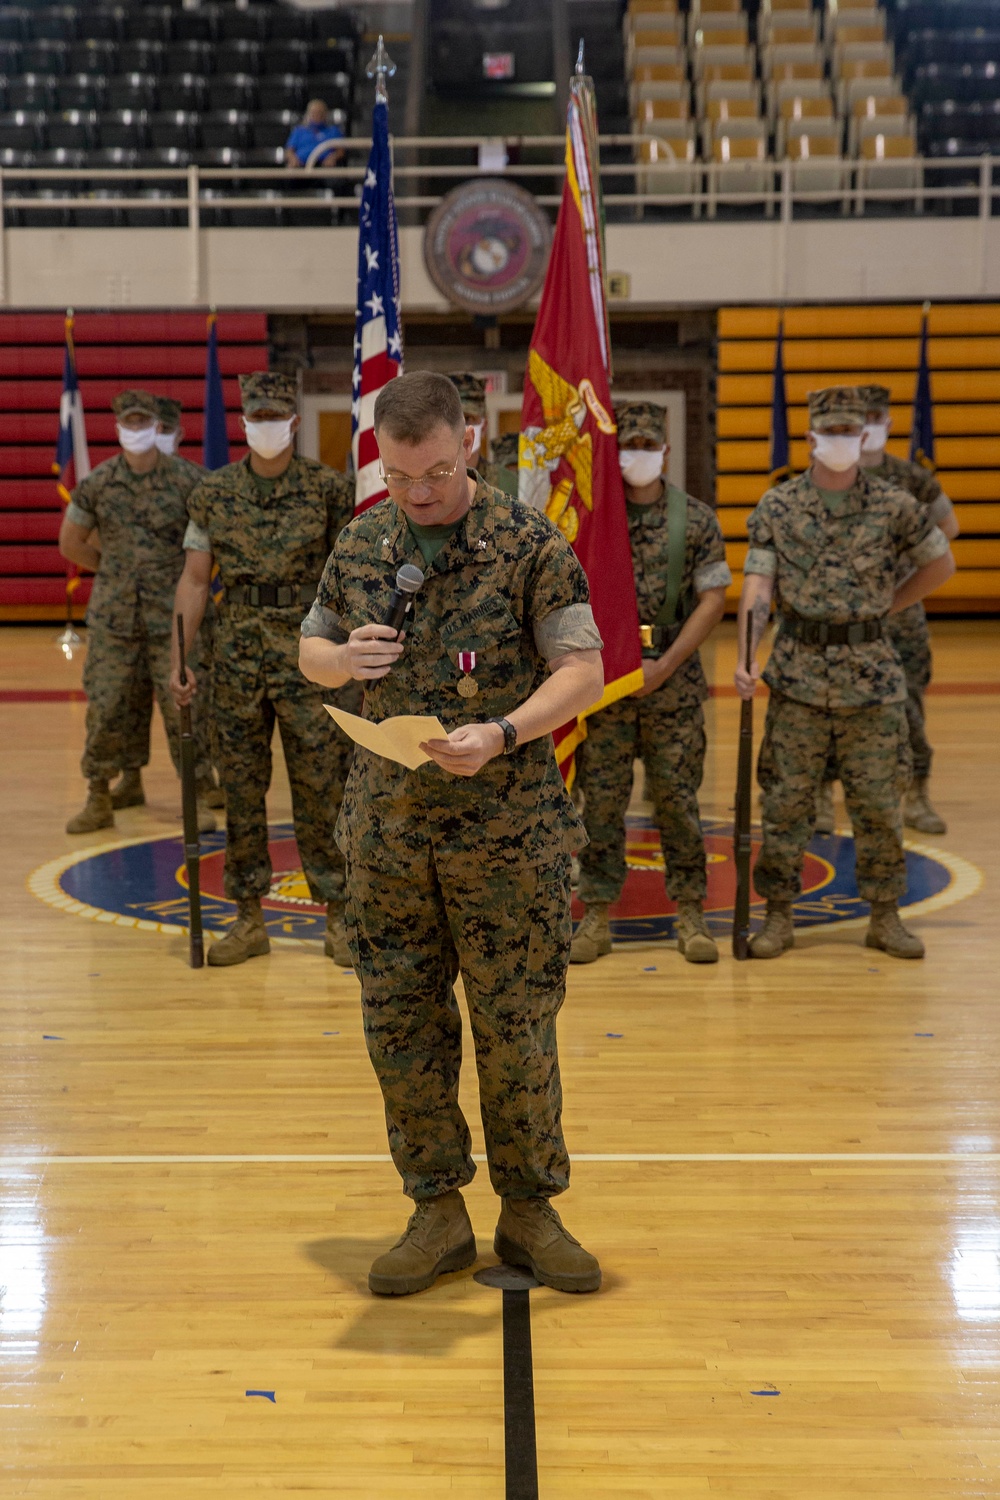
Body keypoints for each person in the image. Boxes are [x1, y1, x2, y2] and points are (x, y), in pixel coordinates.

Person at [299, 370, 605, 1297]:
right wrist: (342, 658)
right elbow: (308, 652)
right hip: (388, 838)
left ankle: (529, 1211)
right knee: (401, 1025)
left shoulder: (526, 541)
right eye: (397, 475)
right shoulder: (362, 541)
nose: (417, 492)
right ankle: (435, 1210)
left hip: (505, 833)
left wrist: (506, 730)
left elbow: (584, 670)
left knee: (516, 1025)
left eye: (431, 471)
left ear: (468, 442)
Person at [735, 386, 955, 961]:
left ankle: (885, 916)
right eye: (827, 434)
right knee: (786, 805)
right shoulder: (778, 507)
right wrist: (746, 654)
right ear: (810, 439)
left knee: (879, 804)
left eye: (847, 434)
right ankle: (778, 916)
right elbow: (758, 586)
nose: (837, 443)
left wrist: (892, 603)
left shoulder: (895, 504)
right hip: (798, 676)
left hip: (872, 679)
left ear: (862, 438)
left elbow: (942, 561)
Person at [170, 372, 358, 968]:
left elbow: (348, 577)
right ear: (244, 423)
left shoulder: (330, 489)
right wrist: (180, 657)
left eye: (277, 415)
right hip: (238, 655)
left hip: (312, 650)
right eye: (257, 416)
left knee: (322, 786)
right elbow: (196, 579)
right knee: (242, 790)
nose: (266, 425)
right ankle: (248, 918)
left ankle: (337, 916)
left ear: (294, 423)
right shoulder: (212, 494)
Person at [571, 400, 731, 966]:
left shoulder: (697, 519)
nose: (637, 457)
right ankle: (595, 913)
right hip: (607, 685)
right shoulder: (593, 523)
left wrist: (664, 665)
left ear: (665, 451)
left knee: (678, 801)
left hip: (674, 684)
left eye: (648, 447)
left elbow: (713, 598)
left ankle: (690, 910)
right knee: (601, 804)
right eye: (628, 447)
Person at [58, 389, 217, 835]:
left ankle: (197, 795)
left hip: (174, 620)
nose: (136, 430)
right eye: (127, 423)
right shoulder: (99, 483)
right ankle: (100, 795)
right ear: (118, 427)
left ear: (156, 426)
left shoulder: (190, 480)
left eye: (143, 422)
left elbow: (210, 546)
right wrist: (112, 570)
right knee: (108, 706)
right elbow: (70, 543)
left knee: (184, 708)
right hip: (114, 620)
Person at [815, 383, 959, 837]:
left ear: (887, 424)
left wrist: (901, 571)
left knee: (909, 704)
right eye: (864, 417)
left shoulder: (911, 479)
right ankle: (820, 791)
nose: (870, 426)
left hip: (900, 613)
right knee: (824, 706)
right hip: (835, 616)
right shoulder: (820, 480)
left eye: (877, 418)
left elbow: (948, 530)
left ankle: (917, 793)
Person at [108, 396, 224, 813]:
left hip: (181, 613)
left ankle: (201, 780)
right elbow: (78, 540)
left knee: (192, 697)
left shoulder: (191, 480)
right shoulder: (108, 480)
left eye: (156, 427)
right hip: (124, 613)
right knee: (122, 701)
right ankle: (127, 778)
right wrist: (116, 571)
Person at [445, 373, 519, 499]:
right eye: (451, 419)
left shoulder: (508, 484)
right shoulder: (425, 482)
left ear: (484, 426)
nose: (460, 426)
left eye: (468, 418)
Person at [284, 99, 344, 169]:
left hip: (325, 166)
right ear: (308, 114)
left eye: (320, 112)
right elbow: (289, 151)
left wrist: (333, 157)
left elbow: (341, 151)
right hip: (301, 165)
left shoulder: (333, 131)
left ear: (325, 114)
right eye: (314, 112)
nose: (317, 115)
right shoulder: (299, 131)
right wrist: (293, 159)